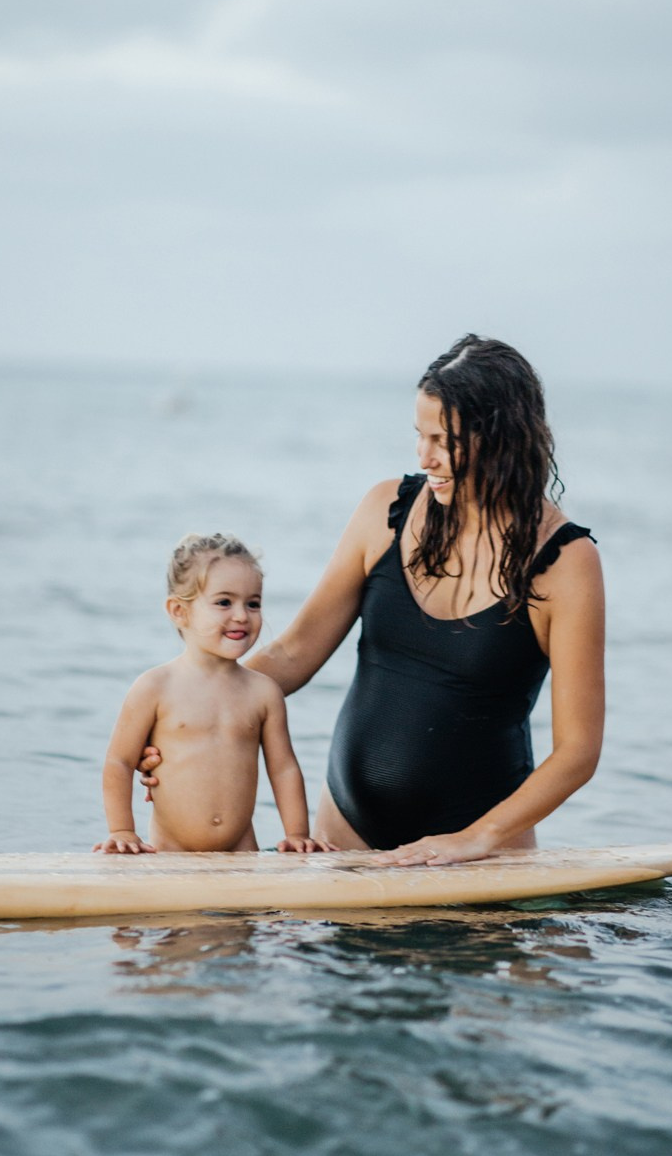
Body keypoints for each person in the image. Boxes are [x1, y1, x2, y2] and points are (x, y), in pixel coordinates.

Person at [140, 337, 604, 865]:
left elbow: (577, 751)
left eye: (442, 440)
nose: (424, 457)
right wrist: (184, 717)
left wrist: (477, 837)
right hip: (347, 828)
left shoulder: (565, 561)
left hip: (482, 852)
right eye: (419, 436)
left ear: (500, 439)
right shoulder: (387, 509)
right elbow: (294, 653)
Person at [95, 533, 317, 855]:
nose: (242, 615)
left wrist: (297, 833)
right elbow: (119, 761)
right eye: (224, 602)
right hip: (169, 851)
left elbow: (283, 768)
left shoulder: (263, 692)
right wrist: (122, 830)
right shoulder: (155, 686)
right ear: (178, 611)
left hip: (242, 850)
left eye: (252, 603)